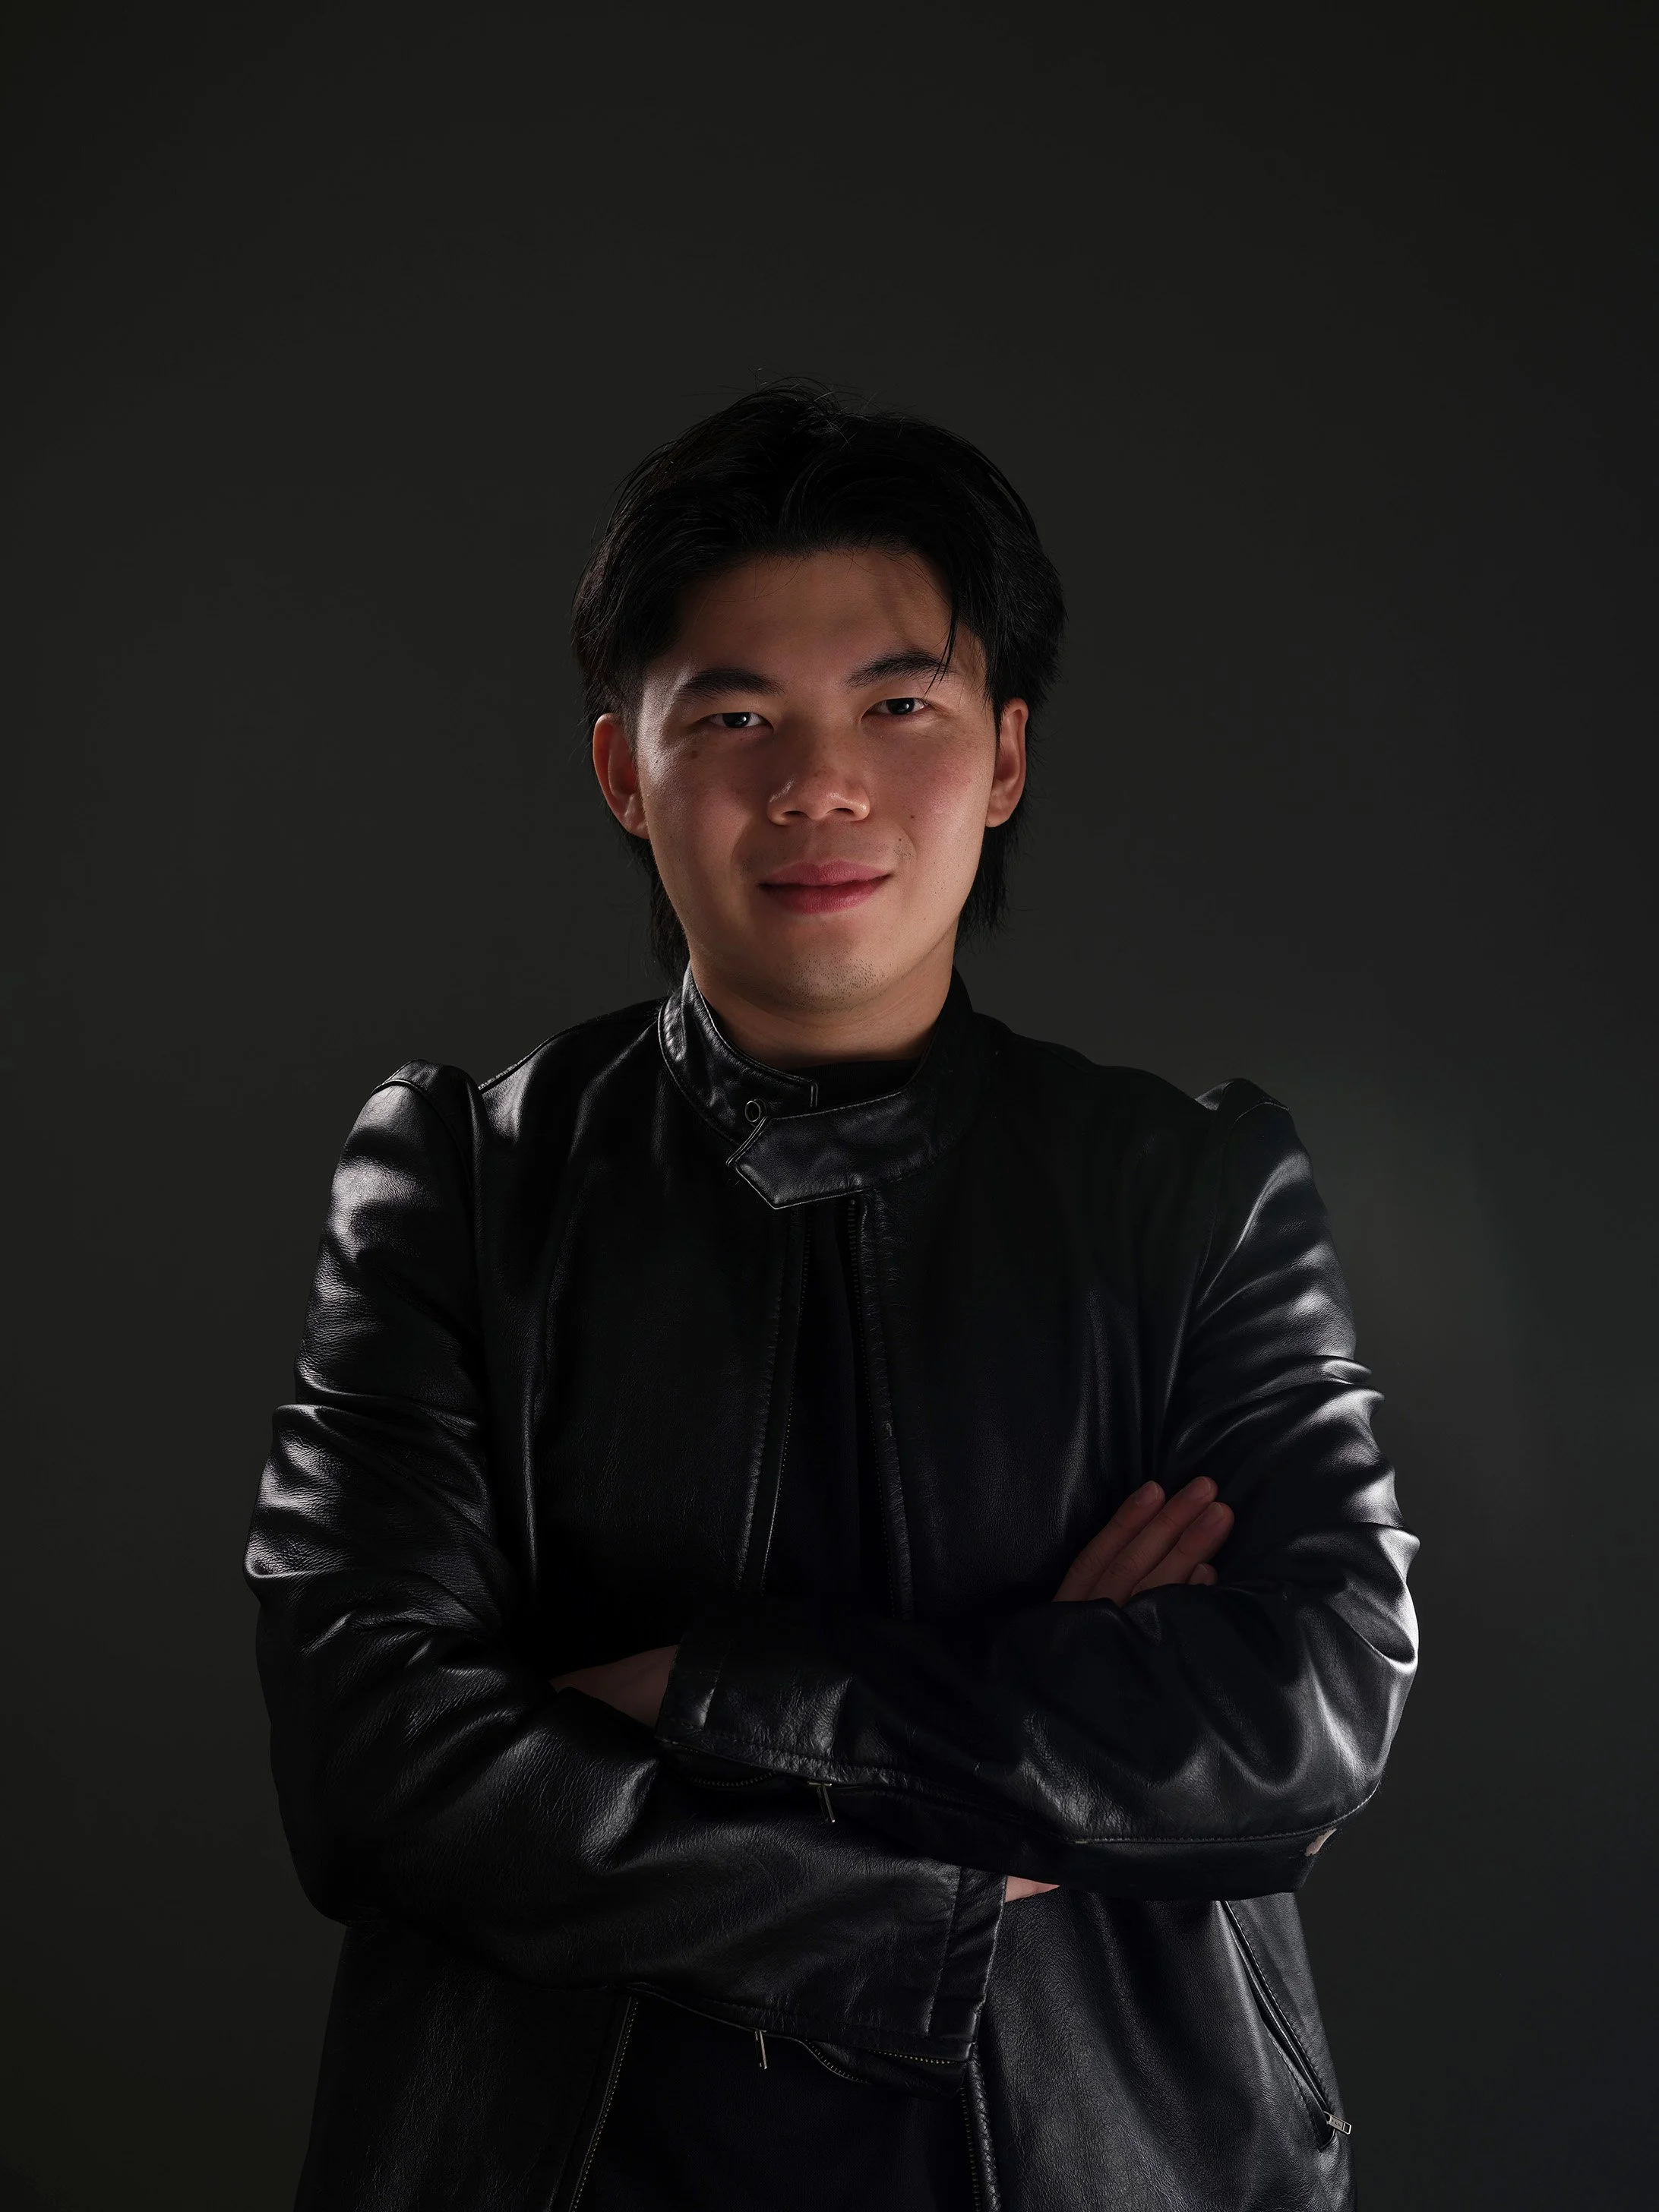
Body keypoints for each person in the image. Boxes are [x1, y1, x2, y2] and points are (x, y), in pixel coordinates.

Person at [246, 383, 1420, 2211]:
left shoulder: (1190, 1189)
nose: (817, 785)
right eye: (736, 717)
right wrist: (983, 1834)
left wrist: (697, 1694)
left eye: (898, 706)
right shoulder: (461, 1185)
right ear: (623, 772)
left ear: (1007, 756)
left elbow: (1306, 1709)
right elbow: (377, 1769)